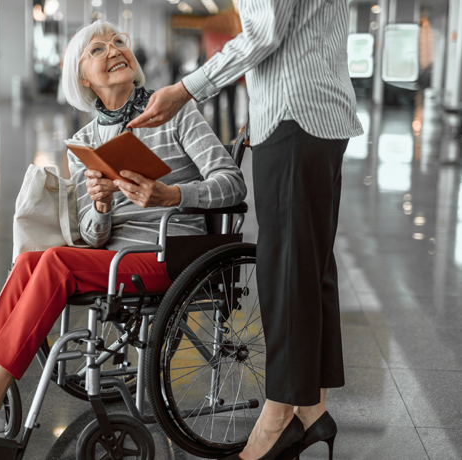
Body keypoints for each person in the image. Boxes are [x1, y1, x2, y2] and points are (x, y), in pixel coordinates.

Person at [0, 20, 246, 442]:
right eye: (97, 49)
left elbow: (232, 183)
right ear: (83, 78)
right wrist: (100, 204)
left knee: (57, 261)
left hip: (172, 253)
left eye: (119, 42)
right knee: (29, 262)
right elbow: (93, 236)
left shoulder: (175, 114)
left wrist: (170, 195)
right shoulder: (85, 142)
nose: (114, 49)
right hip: (114, 258)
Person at [128, 1, 363, 460]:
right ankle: (312, 409)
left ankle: (278, 416)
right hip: (315, 111)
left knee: (288, 267)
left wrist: (185, 89)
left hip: (296, 114)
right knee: (309, 263)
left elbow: (264, 32)